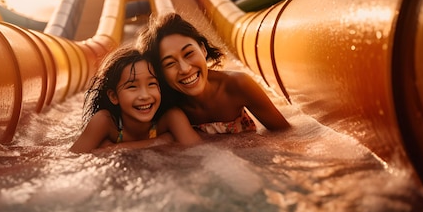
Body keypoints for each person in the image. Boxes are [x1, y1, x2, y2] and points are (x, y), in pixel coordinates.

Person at [137, 12, 290, 134]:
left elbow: (285, 134)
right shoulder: (166, 105)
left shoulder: (237, 85)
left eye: (189, 53)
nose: (185, 69)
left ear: (203, 49)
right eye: (169, 63)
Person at [70, 45, 202, 153]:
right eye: (132, 87)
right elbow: (73, 159)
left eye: (151, 84)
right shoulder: (106, 121)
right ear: (114, 96)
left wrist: (113, 148)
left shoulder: (171, 118)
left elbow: (201, 152)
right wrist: (163, 141)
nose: (144, 95)